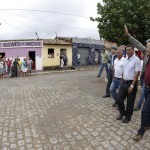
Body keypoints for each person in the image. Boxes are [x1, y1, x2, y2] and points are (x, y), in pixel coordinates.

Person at [124, 25, 150, 141]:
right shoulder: (147, 55)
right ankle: (148, 124)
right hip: (146, 85)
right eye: (147, 47)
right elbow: (138, 44)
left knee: (144, 110)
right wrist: (128, 35)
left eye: (148, 47)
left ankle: (141, 131)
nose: (146, 48)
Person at [116, 44, 141, 123]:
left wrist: (132, 85)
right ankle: (122, 112)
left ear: (133, 50)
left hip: (131, 83)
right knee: (119, 99)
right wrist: (122, 78)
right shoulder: (125, 59)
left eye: (130, 50)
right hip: (124, 82)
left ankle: (128, 116)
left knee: (130, 102)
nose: (128, 51)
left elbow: (137, 72)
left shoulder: (136, 60)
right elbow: (124, 69)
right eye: (127, 50)